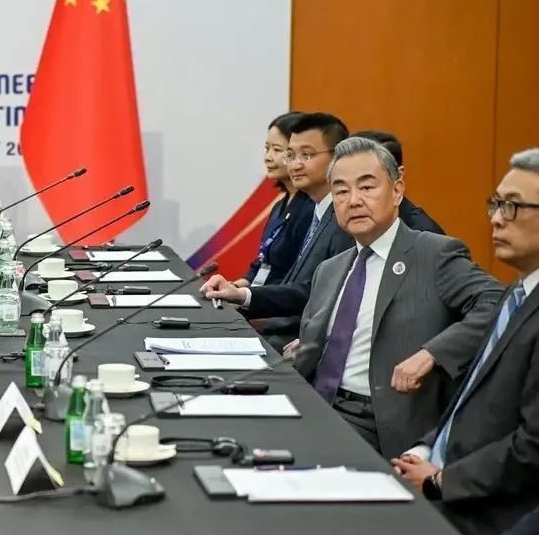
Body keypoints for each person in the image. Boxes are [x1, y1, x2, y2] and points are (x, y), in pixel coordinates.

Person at [204, 137, 502, 456]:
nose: (354, 201)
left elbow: (497, 302)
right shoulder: (330, 270)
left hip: (376, 421)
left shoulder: (433, 253)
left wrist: (432, 353)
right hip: (313, 404)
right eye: (341, 191)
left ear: (397, 190)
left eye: (367, 187)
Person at [392, 148, 539, 535]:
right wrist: (425, 450)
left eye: (513, 207)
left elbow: (532, 448)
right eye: (496, 204)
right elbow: (470, 402)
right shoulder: (515, 295)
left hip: (487, 519)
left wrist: (441, 480)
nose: (496, 218)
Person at [215, 112, 354, 352]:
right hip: (280, 326)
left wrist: (246, 299)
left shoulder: (344, 219)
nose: (295, 164)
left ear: (337, 158)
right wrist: (242, 295)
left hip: (302, 341)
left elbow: (319, 295)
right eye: (290, 155)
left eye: (307, 155)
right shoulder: (319, 212)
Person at [234, 112, 314, 288]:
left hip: (279, 300)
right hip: (259, 295)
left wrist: (247, 296)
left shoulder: (311, 208)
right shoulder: (280, 205)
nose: (268, 157)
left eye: (277, 150)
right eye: (267, 148)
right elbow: (263, 261)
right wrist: (237, 287)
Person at [351, 129, 444, 234]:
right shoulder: (346, 223)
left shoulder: (424, 234)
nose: (353, 200)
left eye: (366, 187)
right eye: (343, 189)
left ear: (398, 176)